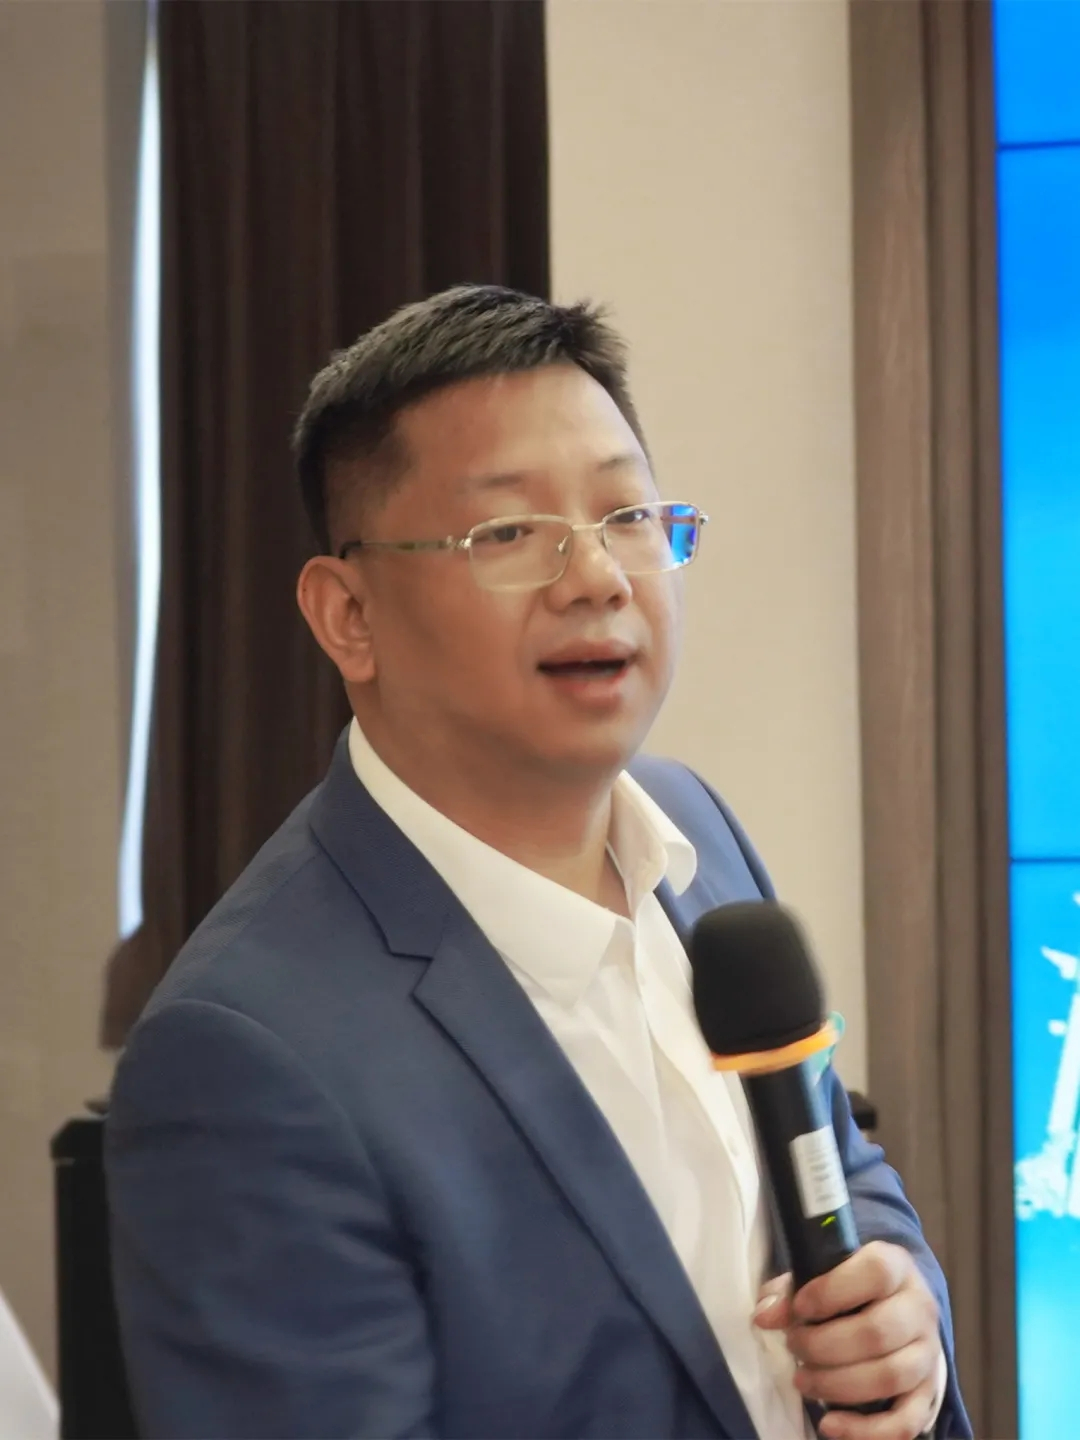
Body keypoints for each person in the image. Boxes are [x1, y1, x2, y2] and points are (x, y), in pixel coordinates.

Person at [106, 285, 971, 1440]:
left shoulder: (694, 827)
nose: (599, 577)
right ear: (348, 615)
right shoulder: (241, 1057)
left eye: (628, 515)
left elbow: (828, 1165)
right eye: (509, 534)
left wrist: (902, 1306)